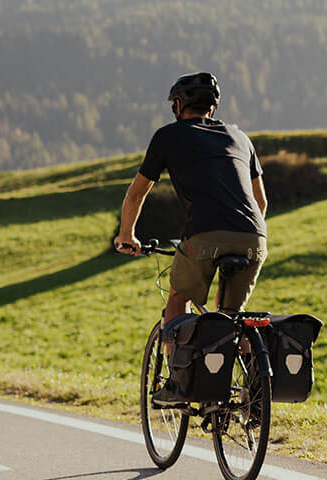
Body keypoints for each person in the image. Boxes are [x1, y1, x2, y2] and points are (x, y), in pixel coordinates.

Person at [115, 73, 269, 331]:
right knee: (232, 320)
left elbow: (136, 194)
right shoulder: (241, 138)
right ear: (213, 106)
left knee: (178, 297)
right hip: (254, 238)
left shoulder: (168, 136)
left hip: (204, 235)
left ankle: (178, 369)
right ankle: (251, 364)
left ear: (177, 105)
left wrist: (126, 236)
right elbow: (261, 201)